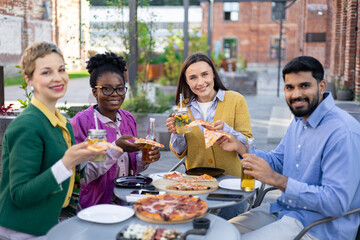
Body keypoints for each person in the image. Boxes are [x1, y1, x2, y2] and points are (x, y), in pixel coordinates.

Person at [217, 56, 360, 240]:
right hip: (285, 210)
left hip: (319, 227)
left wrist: (278, 180)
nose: (296, 94)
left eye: (304, 86)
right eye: (290, 87)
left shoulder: (342, 133)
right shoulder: (300, 120)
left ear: (322, 87)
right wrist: (242, 149)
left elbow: (336, 203)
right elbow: (279, 160)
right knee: (221, 233)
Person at [0, 42, 102, 239]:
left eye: (61, 69)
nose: (58, 78)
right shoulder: (28, 125)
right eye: (46, 72)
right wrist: (67, 162)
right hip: (22, 229)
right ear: (29, 79)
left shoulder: (61, 121)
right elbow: (21, 194)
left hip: (47, 223)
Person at [166, 52, 253, 219]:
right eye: (193, 77)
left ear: (213, 73)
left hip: (232, 184)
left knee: (228, 229)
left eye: (205, 74)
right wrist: (177, 133)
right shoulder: (182, 108)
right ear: (186, 81)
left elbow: (249, 144)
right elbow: (179, 152)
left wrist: (228, 130)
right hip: (196, 185)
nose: (200, 82)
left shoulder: (236, 100)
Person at [71, 52, 160, 210]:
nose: (115, 94)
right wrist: (117, 148)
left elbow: (132, 169)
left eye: (120, 89)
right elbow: (80, 177)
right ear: (94, 92)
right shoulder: (82, 122)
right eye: (106, 89)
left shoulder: (128, 119)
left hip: (126, 202)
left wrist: (144, 158)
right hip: (95, 206)